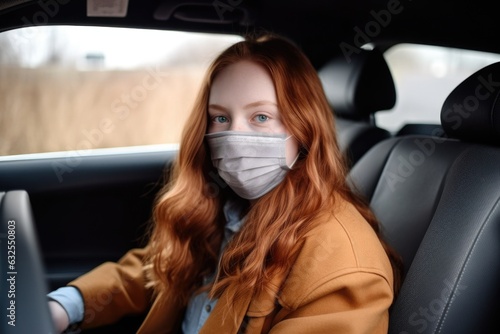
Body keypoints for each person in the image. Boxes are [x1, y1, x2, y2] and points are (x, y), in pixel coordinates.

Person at [48, 34, 402, 334]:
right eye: (220, 117)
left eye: (261, 117)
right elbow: (161, 268)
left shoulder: (342, 262)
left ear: (304, 130)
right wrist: (67, 305)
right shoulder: (226, 204)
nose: (234, 135)